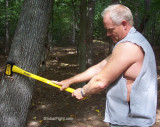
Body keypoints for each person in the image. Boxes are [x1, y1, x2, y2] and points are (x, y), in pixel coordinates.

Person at [53, 4, 157, 127]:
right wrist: (70, 81)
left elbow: (100, 82)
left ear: (124, 24)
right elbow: (101, 66)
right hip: (129, 120)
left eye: (111, 29)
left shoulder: (129, 46)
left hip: (131, 122)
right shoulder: (133, 41)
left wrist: (82, 91)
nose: (107, 34)